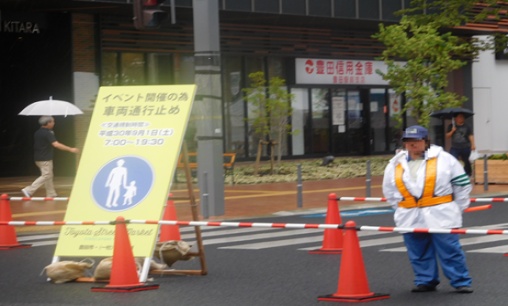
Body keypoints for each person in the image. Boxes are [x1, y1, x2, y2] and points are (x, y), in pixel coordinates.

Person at [382, 125, 473, 294]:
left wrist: (457, 207)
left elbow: (462, 185)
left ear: (426, 141)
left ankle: (460, 281)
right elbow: (390, 191)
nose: (412, 144)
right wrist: (403, 207)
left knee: (450, 250)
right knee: (418, 251)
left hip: (441, 212)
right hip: (410, 214)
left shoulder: (445, 159)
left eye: (416, 141)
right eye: (408, 141)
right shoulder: (395, 163)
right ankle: (425, 280)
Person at [22, 116, 79, 198]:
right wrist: (70, 149)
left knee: (49, 176)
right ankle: (29, 190)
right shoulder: (47, 133)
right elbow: (55, 144)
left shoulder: (38, 132)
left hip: (38, 158)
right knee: (46, 175)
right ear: (48, 123)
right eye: (52, 121)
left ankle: (51, 193)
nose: (54, 123)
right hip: (45, 158)